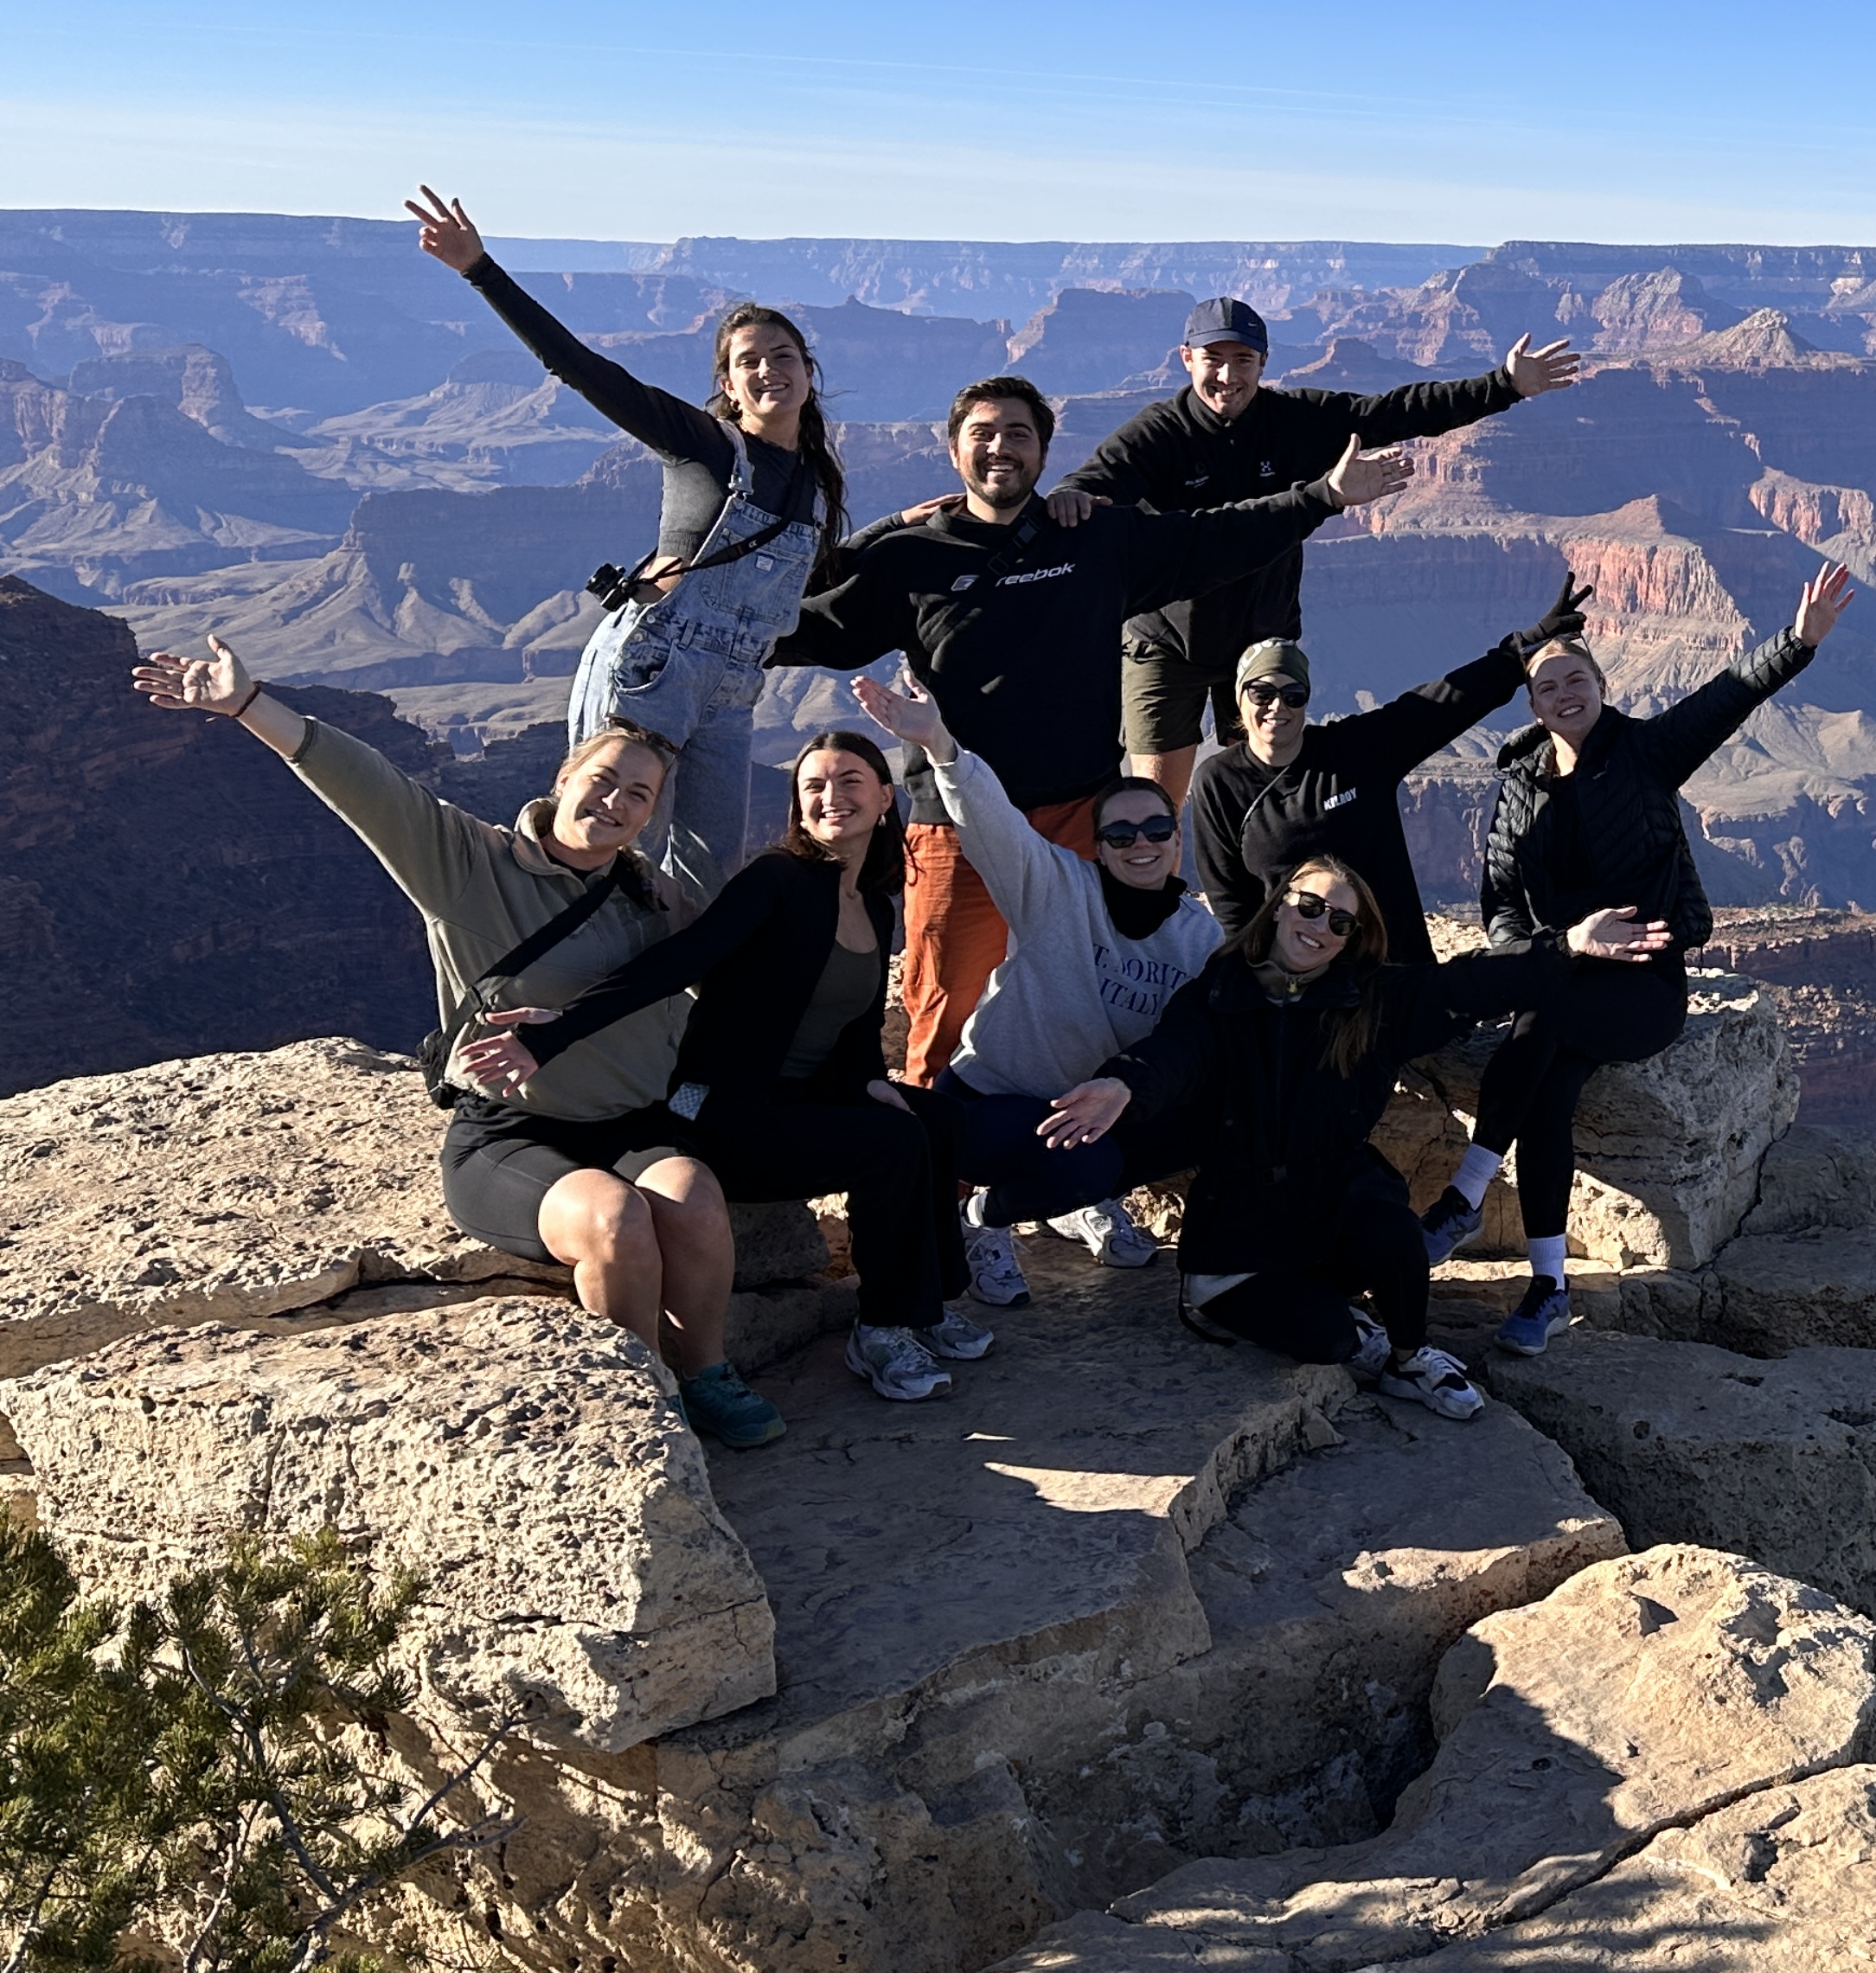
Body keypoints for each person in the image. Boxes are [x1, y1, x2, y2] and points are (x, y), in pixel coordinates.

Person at [126, 637, 780, 1449]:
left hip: (634, 1124)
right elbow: (370, 785)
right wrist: (248, 703)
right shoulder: (470, 867)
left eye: (638, 796)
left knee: (695, 1201)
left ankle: (705, 1372)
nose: (614, 802)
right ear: (562, 780)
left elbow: (738, 974)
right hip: (512, 1136)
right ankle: (647, 1402)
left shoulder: (649, 896)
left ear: (651, 815)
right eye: (602, 780)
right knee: (615, 1222)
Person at [769, 373, 1410, 1086]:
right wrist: (882, 529)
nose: (1000, 449)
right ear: (953, 451)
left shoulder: (1096, 537)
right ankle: (935, 1181)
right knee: (944, 1010)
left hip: (1084, 819)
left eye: (1018, 434)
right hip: (956, 822)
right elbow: (793, 623)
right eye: (982, 434)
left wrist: (1322, 496)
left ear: (1044, 451)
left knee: (1094, 995)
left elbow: (1215, 538)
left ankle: (1077, 1158)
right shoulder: (909, 558)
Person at [451, 731, 985, 1406]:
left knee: (934, 1116)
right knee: (892, 1143)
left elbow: (853, 1025)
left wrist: (870, 1083)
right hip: (718, 1108)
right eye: (814, 785)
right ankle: (879, 1327)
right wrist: (557, 1032)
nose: (831, 797)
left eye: (850, 780)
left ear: (885, 797)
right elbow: (678, 962)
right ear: (797, 806)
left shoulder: (874, 903)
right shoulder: (779, 881)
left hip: (796, 1097)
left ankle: (925, 1304)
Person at [1439, 561, 1859, 1357]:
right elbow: (1496, 903)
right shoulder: (1517, 789)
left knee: (1544, 1013)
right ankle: (1549, 1284)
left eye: (1576, 679)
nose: (1564, 694)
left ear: (1601, 683)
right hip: (1559, 975)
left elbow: (1727, 698)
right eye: (1547, 687)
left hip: (1643, 990)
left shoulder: (1645, 754)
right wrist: (1529, 953)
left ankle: (1464, 1194)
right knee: (1549, 1097)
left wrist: (1798, 643)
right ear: (1530, 707)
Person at [404, 189, 848, 904]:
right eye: (750, 362)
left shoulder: (818, 485)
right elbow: (580, 368)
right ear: (729, 388)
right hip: (655, 669)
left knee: (706, 879)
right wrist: (479, 269)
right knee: (608, 849)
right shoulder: (705, 446)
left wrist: (910, 525)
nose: (770, 369)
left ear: (808, 370)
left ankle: (672, 1010)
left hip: (733, 694)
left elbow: (819, 580)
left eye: (784, 355)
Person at [1109, 856, 1665, 1418]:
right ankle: (1325, 1325)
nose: (1320, 926)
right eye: (1309, 907)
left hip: (1318, 1220)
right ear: (1278, 908)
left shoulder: (1371, 1002)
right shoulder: (1222, 995)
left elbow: (1469, 982)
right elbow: (1173, 1055)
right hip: (1239, 1248)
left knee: (1395, 1230)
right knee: (1330, 1340)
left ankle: (1407, 1357)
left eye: (1340, 923)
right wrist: (1124, 1084)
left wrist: (1565, 945)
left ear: (1353, 940)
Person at [1059, 299, 1584, 804]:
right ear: (1186, 359)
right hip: (1169, 644)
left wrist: (1504, 385)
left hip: (1262, 639)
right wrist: (1072, 494)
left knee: (1266, 797)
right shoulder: (1160, 434)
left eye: (1243, 360)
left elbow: (1395, 413)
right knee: (1157, 802)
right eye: (1213, 360)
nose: (1227, 376)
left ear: (1263, 363)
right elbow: (1101, 476)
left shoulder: (1295, 420)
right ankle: (1161, 898)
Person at [845, 663, 1225, 1305]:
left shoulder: (1199, 939)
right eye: (1120, 834)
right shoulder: (1056, 890)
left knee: (1209, 1114)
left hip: (1087, 1107)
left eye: (1157, 830)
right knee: (1090, 1163)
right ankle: (985, 1220)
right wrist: (940, 745)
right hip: (987, 1103)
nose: (1142, 844)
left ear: (1175, 839)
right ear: (1098, 848)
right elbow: (993, 823)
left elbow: (1201, 1038)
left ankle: (1083, 1199)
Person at [1186, 573, 1595, 971]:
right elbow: (1231, 903)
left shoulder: (1355, 751)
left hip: (1391, 970)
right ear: (1239, 699)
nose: (1278, 707)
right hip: (1297, 972)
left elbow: (1442, 704)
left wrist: (1524, 646)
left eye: (1294, 695)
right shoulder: (1219, 782)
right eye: (1263, 693)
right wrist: (1257, 981)